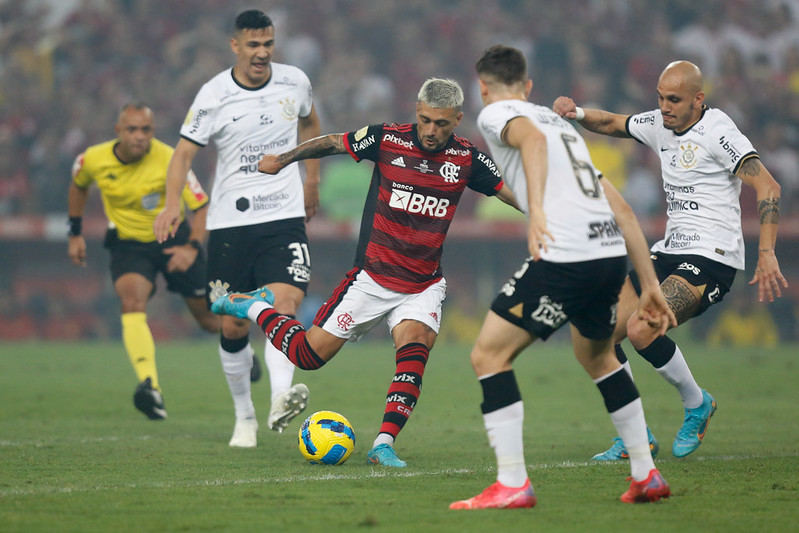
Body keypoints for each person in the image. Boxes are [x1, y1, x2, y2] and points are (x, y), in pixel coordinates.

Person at [208, 77, 518, 467]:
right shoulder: (388, 139)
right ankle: (252, 307)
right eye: (425, 120)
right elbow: (334, 141)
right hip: (371, 278)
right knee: (307, 356)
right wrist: (284, 160)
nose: (431, 130)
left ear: (457, 120)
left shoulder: (468, 159)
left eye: (441, 123)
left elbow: (512, 192)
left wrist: (552, 214)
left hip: (422, 284)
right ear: (416, 111)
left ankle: (384, 443)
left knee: (414, 351)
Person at [449, 45, 677, 509]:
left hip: (567, 255)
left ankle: (512, 483)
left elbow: (528, 140)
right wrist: (649, 284)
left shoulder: (496, 115)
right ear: (530, 86)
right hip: (608, 254)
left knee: (488, 355)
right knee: (596, 356)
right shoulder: (560, 127)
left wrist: (535, 213)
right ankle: (646, 474)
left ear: (482, 88)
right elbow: (623, 208)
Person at [553, 60, 788, 461]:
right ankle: (635, 436)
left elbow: (768, 185)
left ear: (699, 98)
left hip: (713, 258)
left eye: (674, 99)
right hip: (668, 252)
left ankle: (698, 405)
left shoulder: (718, 131)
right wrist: (575, 114)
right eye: (660, 98)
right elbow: (614, 123)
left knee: (643, 327)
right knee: (598, 335)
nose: (664, 106)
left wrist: (766, 253)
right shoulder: (662, 123)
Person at [153, 9, 321, 447]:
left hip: (283, 216)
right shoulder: (213, 95)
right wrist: (173, 203)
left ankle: (281, 398)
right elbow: (182, 155)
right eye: (253, 45)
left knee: (285, 307)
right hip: (231, 223)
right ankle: (243, 416)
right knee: (231, 325)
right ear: (235, 46)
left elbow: (310, 123)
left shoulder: (295, 82)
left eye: (268, 43)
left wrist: (312, 181)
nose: (262, 52)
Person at [68, 102, 219, 420]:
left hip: (175, 241)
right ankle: (150, 388)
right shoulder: (92, 159)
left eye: (146, 130)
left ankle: (241, 349)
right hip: (129, 245)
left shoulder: (170, 158)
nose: (139, 136)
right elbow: (78, 186)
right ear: (118, 132)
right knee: (131, 302)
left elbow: (201, 206)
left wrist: (191, 248)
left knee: (209, 322)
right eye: (132, 129)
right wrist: (75, 232)